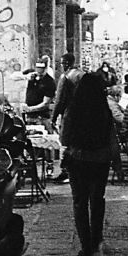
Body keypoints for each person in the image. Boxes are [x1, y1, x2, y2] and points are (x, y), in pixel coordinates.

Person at [60, 72, 122, 256]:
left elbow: (64, 138)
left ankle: (85, 247)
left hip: (78, 160)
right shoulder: (103, 110)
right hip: (100, 161)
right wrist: (117, 162)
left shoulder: (73, 110)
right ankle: (96, 238)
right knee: (97, 199)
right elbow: (112, 138)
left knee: (80, 202)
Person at [51, 52, 84, 183]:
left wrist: (54, 117)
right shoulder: (82, 75)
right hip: (83, 115)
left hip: (69, 115)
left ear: (66, 64)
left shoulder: (65, 77)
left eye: (62, 63)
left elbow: (59, 100)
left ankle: (66, 170)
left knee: (66, 143)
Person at [22, 58, 56, 125]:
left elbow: (45, 103)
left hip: (41, 116)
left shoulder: (49, 82)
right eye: (38, 69)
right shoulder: (31, 74)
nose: (39, 73)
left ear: (46, 69)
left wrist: (30, 109)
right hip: (28, 115)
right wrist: (25, 77)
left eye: (41, 71)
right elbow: (13, 76)